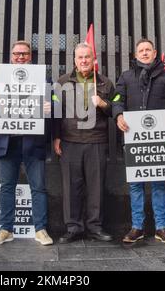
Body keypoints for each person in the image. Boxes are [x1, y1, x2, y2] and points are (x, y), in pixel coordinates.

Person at [113, 38, 165, 243]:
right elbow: (117, 99)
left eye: (147, 50)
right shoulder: (125, 77)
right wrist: (118, 115)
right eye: (141, 50)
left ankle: (161, 227)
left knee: (159, 184)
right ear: (135, 55)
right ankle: (137, 227)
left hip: (159, 141)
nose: (144, 53)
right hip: (134, 140)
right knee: (135, 185)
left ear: (154, 53)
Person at [0, 40, 53, 246]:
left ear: (30, 56)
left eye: (24, 54)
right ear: (11, 56)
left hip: (34, 142)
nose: (21, 57)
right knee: (7, 186)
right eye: (17, 54)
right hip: (7, 142)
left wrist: (50, 107)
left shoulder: (43, 78)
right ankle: (6, 229)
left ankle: (40, 229)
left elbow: (57, 104)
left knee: (39, 187)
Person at [53, 42, 115, 244]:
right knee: (71, 187)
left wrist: (103, 103)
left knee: (96, 188)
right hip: (70, 141)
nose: (84, 61)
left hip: (97, 141)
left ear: (93, 60)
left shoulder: (105, 83)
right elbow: (56, 112)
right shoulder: (62, 82)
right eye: (80, 57)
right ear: (74, 61)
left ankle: (95, 228)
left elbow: (116, 108)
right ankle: (73, 228)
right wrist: (56, 137)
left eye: (87, 57)